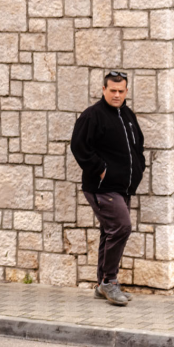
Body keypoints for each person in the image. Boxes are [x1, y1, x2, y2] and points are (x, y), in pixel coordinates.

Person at [70, 70, 146, 307]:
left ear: (126, 91)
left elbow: (138, 145)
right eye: (112, 90)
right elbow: (79, 147)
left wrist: (138, 167)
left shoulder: (127, 114)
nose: (116, 94)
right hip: (102, 187)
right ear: (103, 90)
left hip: (122, 187)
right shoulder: (93, 116)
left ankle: (103, 284)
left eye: (120, 91)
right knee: (121, 227)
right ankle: (109, 282)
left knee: (110, 231)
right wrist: (102, 169)